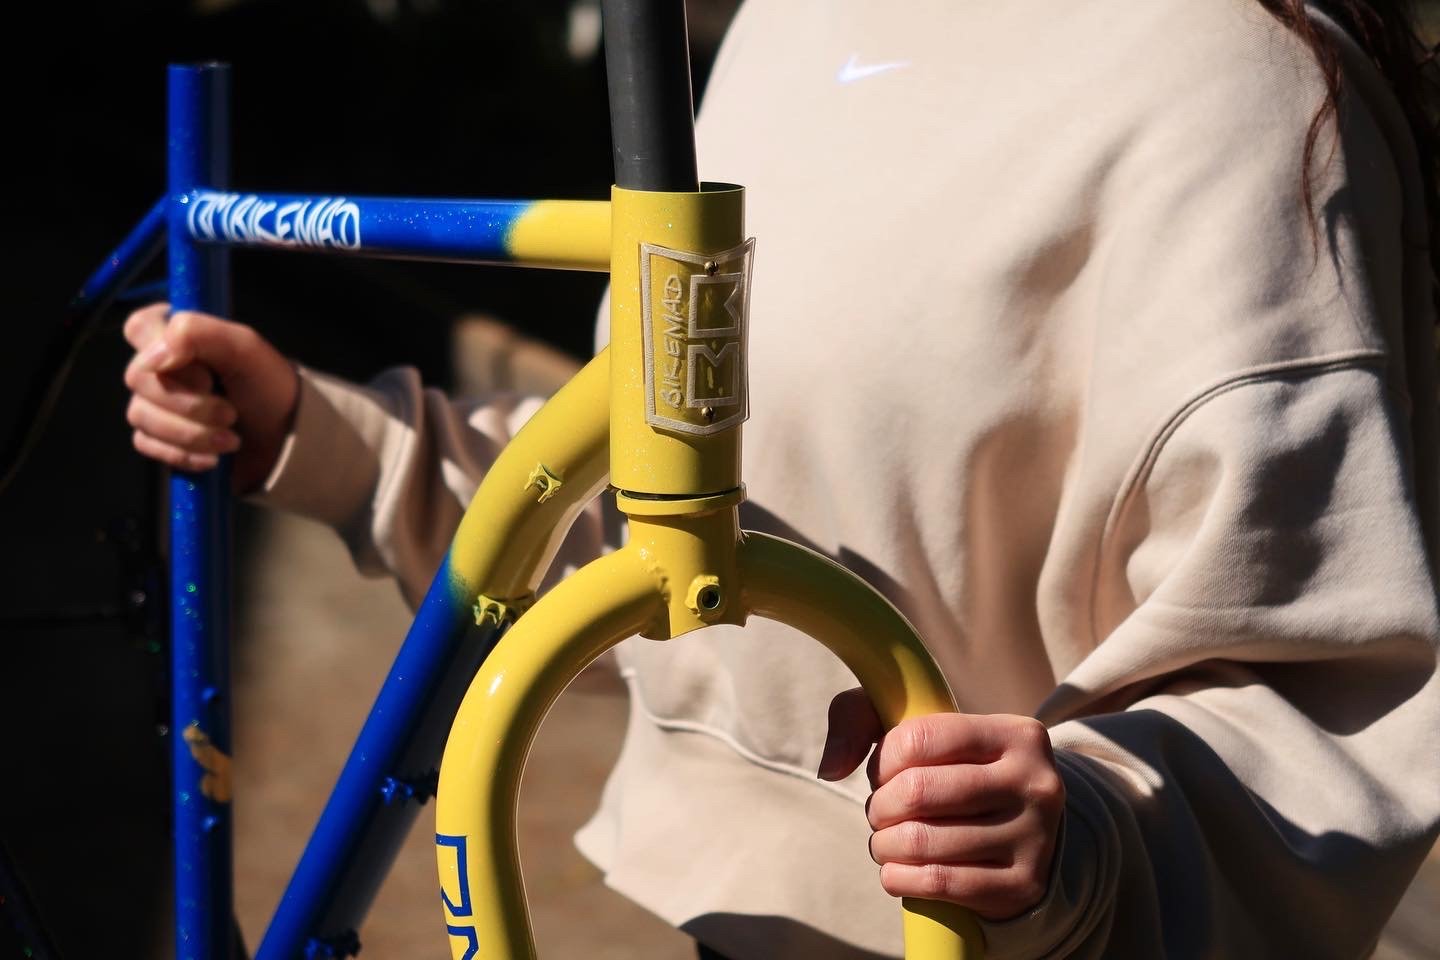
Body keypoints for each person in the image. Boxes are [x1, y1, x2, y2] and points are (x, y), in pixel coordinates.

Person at [121, 1, 1440, 956]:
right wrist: (328, 433)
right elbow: (680, 488)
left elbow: (1330, 686)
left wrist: (1082, 829)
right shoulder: (790, 23)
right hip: (720, 923)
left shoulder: (1237, 88)